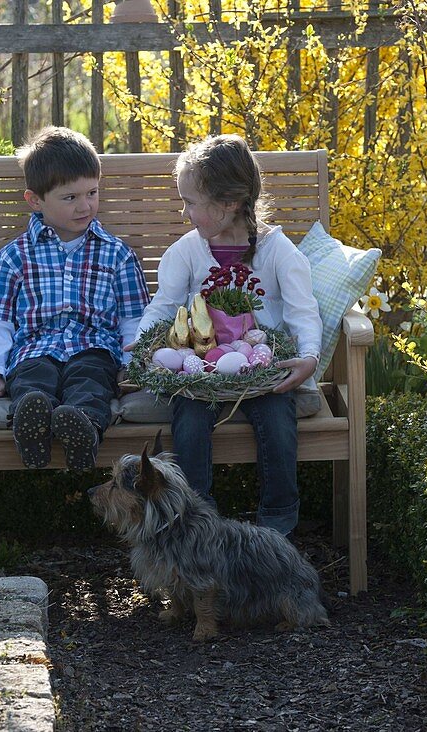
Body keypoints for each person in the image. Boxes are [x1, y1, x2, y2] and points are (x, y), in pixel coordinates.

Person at [133, 134, 321, 537]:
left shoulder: (277, 252)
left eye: (190, 202)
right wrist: (144, 340)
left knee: (277, 423)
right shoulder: (187, 251)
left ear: (229, 203)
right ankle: (199, 524)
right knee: (189, 422)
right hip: (199, 372)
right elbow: (164, 305)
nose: (185, 213)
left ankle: (277, 523)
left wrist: (308, 357)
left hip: (262, 371)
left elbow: (303, 310)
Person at [0, 126, 150, 470]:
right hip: (33, 350)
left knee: (91, 383)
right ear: (36, 200)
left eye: (92, 193)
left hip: (94, 348)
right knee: (31, 382)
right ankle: (32, 426)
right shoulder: (15, 256)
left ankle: (83, 427)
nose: (85, 206)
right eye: (70, 197)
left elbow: (134, 317)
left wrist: (132, 364)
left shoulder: (117, 254)